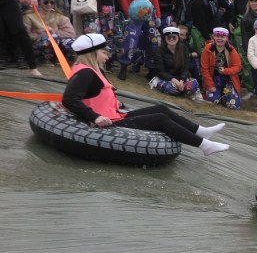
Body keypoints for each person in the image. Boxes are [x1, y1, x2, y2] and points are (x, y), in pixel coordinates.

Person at [62, 33, 229, 156]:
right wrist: (95, 117)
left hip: (113, 115)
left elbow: (93, 94)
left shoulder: (92, 71)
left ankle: (200, 131)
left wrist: (113, 102)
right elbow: (69, 99)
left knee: (161, 109)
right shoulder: (86, 73)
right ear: (92, 53)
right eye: (103, 53)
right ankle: (204, 145)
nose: (107, 57)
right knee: (159, 119)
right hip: (106, 123)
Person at [23, 0, 76, 65]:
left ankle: (66, 59)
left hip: (56, 44)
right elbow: (26, 35)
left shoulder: (59, 16)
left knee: (70, 42)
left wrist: (52, 32)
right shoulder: (29, 16)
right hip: (36, 46)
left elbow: (71, 34)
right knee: (50, 39)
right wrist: (40, 33)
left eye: (52, 2)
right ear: (39, 1)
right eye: (46, 2)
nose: (49, 5)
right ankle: (44, 60)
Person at [150, 26, 202, 100]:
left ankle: (182, 90)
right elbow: (160, 71)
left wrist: (182, 80)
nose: (171, 39)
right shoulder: (159, 50)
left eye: (174, 37)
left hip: (180, 78)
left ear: (178, 38)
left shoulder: (184, 49)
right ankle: (179, 90)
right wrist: (173, 80)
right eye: (169, 37)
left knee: (192, 85)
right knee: (169, 88)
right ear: (165, 38)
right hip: (165, 79)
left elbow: (186, 68)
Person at [201, 27, 242, 109]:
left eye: (222, 37)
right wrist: (210, 85)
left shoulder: (231, 50)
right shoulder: (207, 49)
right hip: (213, 79)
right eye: (217, 36)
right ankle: (219, 95)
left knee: (234, 105)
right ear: (213, 37)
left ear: (226, 38)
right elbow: (204, 69)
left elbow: (238, 67)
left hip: (228, 80)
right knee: (212, 101)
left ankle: (225, 96)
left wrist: (225, 71)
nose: (219, 39)